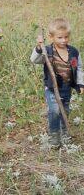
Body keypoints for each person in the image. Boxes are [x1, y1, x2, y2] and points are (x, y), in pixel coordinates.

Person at [30, 18, 84, 148]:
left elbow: (79, 69)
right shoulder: (47, 50)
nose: (64, 40)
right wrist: (38, 48)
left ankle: (64, 132)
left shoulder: (73, 52)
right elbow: (34, 60)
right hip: (52, 88)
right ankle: (54, 134)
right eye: (60, 37)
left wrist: (81, 84)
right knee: (54, 110)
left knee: (64, 110)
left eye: (66, 37)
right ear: (51, 37)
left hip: (66, 87)